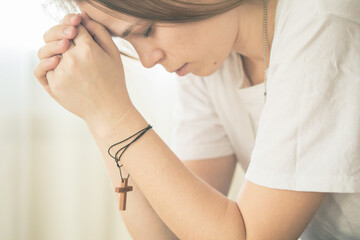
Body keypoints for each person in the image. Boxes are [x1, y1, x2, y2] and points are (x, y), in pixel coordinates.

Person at [34, 0, 360, 239]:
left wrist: (114, 114)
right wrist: (97, 113)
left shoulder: (324, 20)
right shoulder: (209, 60)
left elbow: (246, 236)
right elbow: (167, 234)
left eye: (148, 30)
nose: (148, 60)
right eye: (128, 42)